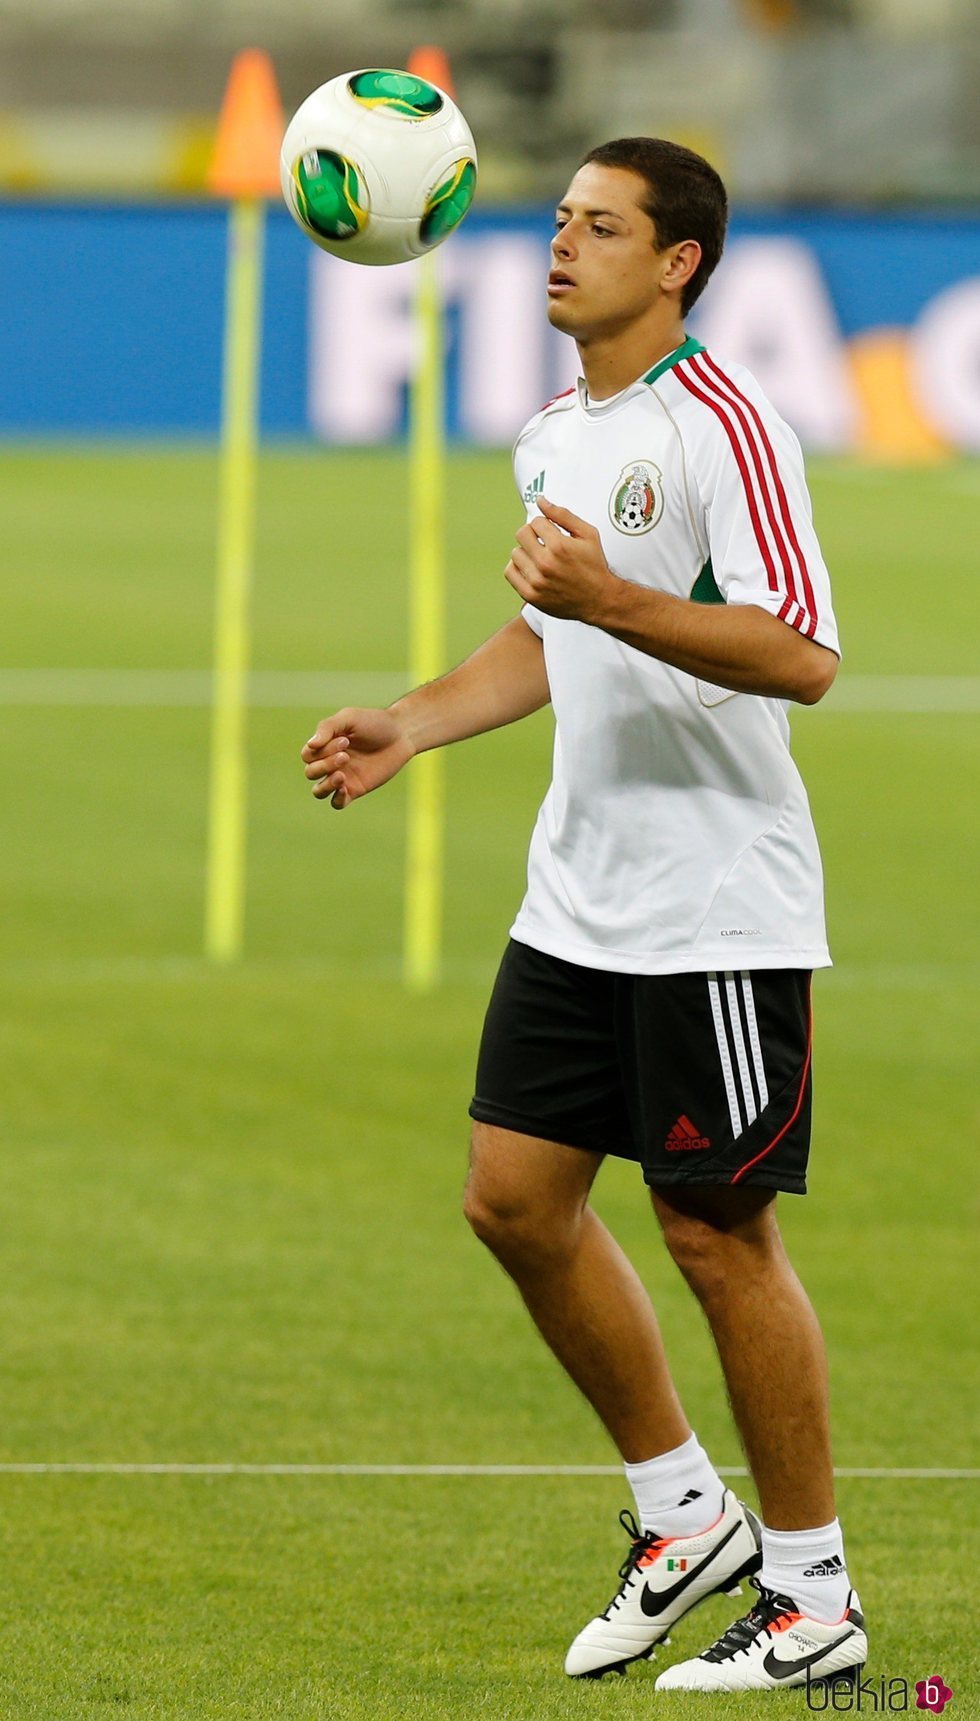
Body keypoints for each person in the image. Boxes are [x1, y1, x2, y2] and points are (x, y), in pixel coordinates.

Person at [300, 136, 867, 1695]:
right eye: (555, 220)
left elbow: (803, 651)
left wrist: (615, 596)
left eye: (598, 227)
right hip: (583, 896)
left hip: (717, 910)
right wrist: (416, 720)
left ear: (677, 260)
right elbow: (551, 636)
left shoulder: (725, 429)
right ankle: (684, 1514)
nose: (559, 246)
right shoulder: (556, 429)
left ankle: (816, 1597)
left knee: (715, 1233)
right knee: (513, 1201)